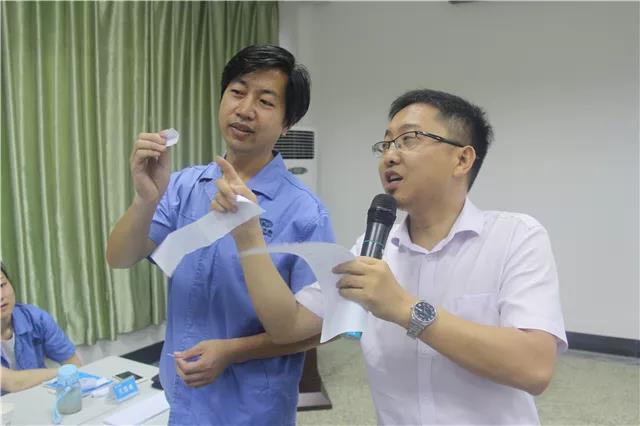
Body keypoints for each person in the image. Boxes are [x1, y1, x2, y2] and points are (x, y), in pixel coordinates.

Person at [213, 89, 568, 425]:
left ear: (462, 159)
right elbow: (287, 326)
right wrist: (249, 235)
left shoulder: (516, 237)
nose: (390, 156)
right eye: (385, 144)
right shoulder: (370, 249)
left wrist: (405, 309)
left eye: (409, 139)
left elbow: (534, 368)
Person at [106, 44, 335, 425]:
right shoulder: (184, 187)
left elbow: (314, 327)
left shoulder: (305, 212)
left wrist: (233, 351)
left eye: (265, 101)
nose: (245, 109)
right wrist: (145, 199)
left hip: (253, 409)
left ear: (287, 122)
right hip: (183, 396)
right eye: (237, 91)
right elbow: (119, 257)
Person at [0, 262, 81, 393]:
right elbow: (11, 382)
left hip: (38, 398)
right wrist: (64, 373)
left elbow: (73, 363)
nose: (1, 296)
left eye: (2, 285)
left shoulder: (36, 318)